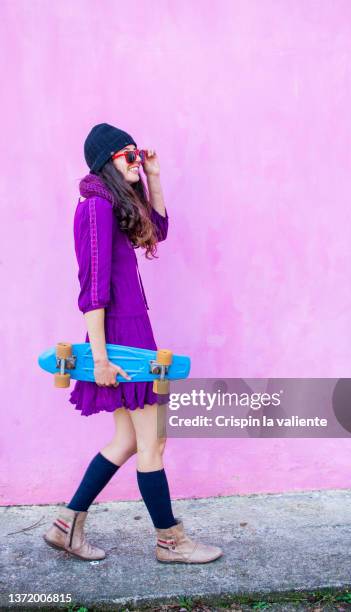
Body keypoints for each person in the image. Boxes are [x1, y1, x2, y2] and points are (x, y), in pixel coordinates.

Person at [43, 123, 223, 564]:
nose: (136, 160)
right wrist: (101, 358)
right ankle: (170, 541)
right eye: (127, 156)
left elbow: (157, 230)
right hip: (121, 338)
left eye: (137, 153)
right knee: (152, 442)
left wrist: (155, 178)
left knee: (127, 439)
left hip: (132, 332)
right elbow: (93, 289)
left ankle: (66, 526)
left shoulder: (112, 205)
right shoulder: (93, 210)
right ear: (106, 161)